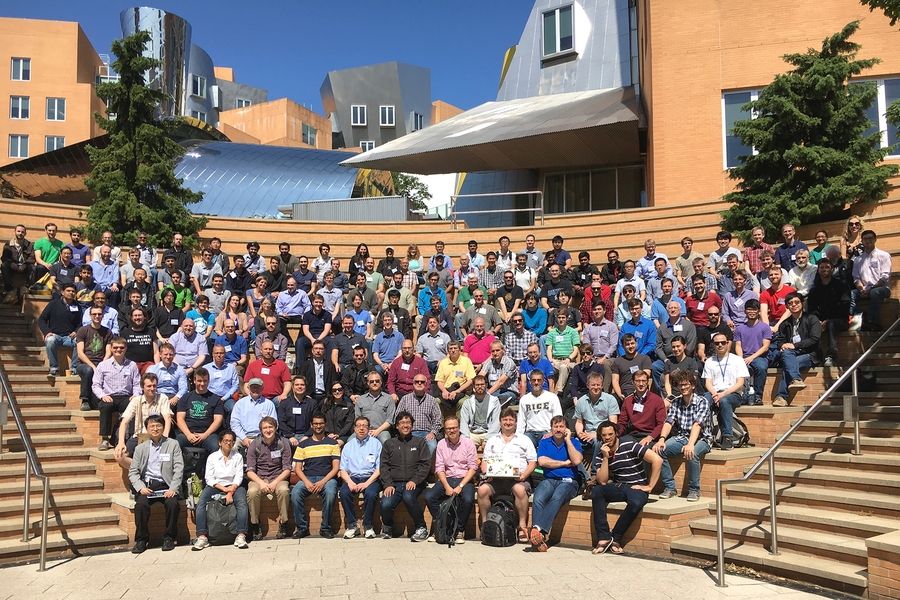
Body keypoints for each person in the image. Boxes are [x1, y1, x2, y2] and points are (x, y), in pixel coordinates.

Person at [590, 420, 662, 555]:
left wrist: (650, 486)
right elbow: (603, 481)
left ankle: (616, 537)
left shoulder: (628, 444)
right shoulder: (601, 451)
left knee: (636, 502)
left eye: (610, 434)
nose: (607, 437)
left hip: (637, 485)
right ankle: (604, 537)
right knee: (597, 491)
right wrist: (605, 458)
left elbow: (657, 460)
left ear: (616, 433)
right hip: (618, 486)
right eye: (604, 435)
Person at [655, 370, 713, 502]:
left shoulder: (702, 401)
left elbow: (697, 425)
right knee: (659, 450)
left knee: (692, 453)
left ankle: (694, 490)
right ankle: (670, 487)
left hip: (702, 438)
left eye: (686, 385)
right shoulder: (676, 402)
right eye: (681, 385)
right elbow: (669, 422)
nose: (683, 388)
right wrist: (662, 439)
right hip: (682, 437)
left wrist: (691, 444)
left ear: (692, 385)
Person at [128, 414, 182, 553]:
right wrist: (141, 488)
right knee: (141, 505)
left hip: (167, 485)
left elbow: (178, 468)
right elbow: (133, 472)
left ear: (163, 427)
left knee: (172, 504)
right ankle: (141, 540)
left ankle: (169, 538)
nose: (155, 428)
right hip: (148, 485)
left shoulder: (172, 444)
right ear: (147, 429)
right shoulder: (141, 448)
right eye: (152, 426)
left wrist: (173, 488)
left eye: (158, 425)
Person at [529, 415, 583, 552]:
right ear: (551, 429)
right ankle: (539, 536)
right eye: (556, 426)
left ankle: (539, 531)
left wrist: (568, 441)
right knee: (538, 498)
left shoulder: (574, 442)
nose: (558, 429)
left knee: (557, 497)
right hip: (549, 479)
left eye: (561, 426)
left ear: (566, 429)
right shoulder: (545, 443)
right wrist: (564, 463)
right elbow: (542, 462)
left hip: (569, 482)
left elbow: (576, 461)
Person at [192, 430, 250, 550]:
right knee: (201, 503)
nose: (228, 443)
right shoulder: (212, 457)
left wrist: (230, 491)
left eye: (231, 441)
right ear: (220, 442)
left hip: (234, 486)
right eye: (225, 441)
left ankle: (241, 534)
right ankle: (202, 536)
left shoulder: (238, 456)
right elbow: (209, 478)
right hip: (216, 486)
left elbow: (239, 476)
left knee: (242, 503)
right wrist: (224, 489)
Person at [378, 411, 431, 541]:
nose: (405, 425)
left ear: (412, 426)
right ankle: (388, 527)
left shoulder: (420, 442)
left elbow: (425, 465)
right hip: (394, 484)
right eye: (402, 423)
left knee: (408, 496)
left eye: (408, 423)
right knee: (385, 503)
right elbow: (384, 466)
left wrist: (415, 480)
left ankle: (421, 528)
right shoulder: (389, 444)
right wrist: (388, 484)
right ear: (397, 426)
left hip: (414, 483)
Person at [424, 416, 477, 543]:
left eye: (454, 428)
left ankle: (459, 530)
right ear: (445, 431)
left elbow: (473, 468)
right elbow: (439, 468)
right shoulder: (441, 444)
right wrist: (447, 486)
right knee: (429, 496)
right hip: (447, 478)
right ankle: (444, 524)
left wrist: (460, 486)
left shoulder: (468, 443)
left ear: (459, 428)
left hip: (464, 479)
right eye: (448, 428)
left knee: (468, 499)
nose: (451, 431)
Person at [770, 292, 822, 407]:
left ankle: (781, 396)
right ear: (787, 306)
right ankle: (795, 380)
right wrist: (783, 346)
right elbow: (780, 341)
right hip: (791, 353)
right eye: (790, 303)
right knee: (788, 357)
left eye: (797, 302)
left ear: (802, 303)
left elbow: (814, 339)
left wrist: (795, 345)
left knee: (789, 364)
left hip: (810, 354)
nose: (794, 305)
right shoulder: (785, 323)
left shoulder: (812, 319)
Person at [114, 373, 172, 470]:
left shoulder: (163, 398)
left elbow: (168, 418)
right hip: (140, 436)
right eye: (149, 386)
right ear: (142, 387)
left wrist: (165, 438)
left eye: (154, 386)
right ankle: (145, 469)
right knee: (119, 456)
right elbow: (124, 422)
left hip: (157, 437)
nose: (152, 388)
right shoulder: (136, 400)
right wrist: (121, 442)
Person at [702, 332, 749, 450]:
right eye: (717, 343)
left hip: (733, 393)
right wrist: (715, 394)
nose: (720, 345)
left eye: (723, 342)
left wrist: (722, 395)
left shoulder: (737, 360)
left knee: (724, 401)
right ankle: (704, 434)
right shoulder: (709, 361)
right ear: (713, 344)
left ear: (728, 343)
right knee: (703, 401)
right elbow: (708, 382)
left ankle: (727, 437)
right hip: (714, 392)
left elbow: (740, 383)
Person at [93, 337, 141, 451]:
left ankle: (131, 438)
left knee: (136, 406)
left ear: (125, 349)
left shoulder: (132, 365)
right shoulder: (103, 365)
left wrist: (136, 395)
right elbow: (96, 385)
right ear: (111, 348)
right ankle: (105, 439)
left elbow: (137, 383)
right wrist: (102, 396)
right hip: (109, 396)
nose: (118, 350)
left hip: (126, 397)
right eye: (115, 347)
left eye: (121, 348)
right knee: (105, 407)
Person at [338, 416, 383, 539]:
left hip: (371, 478)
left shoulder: (376, 444)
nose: (361, 428)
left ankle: (368, 526)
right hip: (353, 478)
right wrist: (350, 483)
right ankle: (352, 526)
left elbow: (379, 469)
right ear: (354, 429)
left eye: (365, 426)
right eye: (359, 426)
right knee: (344, 492)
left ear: (369, 429)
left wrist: (367, 483)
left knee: (371, 494)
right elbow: (342, 470)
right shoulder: (348, 446)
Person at [807, 258, 850, 367]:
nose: (824, 269)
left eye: (827, 267)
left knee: (831, 324)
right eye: (822, 267)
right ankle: (815, 356)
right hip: (821, 321)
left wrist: (828, 320)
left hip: (840, 320)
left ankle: (831, 356)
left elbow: (844, 306)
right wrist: (818, 321)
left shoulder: (841, 286)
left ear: (832, 269)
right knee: (810, 323)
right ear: (818, 270)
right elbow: (812, 309)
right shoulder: (814, 289)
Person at [175, 368, 224, 454]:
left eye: (205, 381)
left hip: (208, 434)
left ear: (208, 381)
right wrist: (188, 434)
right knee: (176, 443)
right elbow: (180, 419)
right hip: (187, 433)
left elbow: (218, 420)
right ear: (194, 380)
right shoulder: (185, 397)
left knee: (215, 446)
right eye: (199, 381)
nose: (202, 383)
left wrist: (205, 435)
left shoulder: (216, 399)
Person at [573, 372, 620, 464]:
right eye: (593, 385)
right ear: (587, 385)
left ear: (602, 386)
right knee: (572, 444)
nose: (596, 387)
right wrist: (579, 433)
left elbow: (613, 424)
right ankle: (582, 474)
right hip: (586, 435)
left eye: (598, 385)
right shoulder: (581, 401)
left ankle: (595, 471)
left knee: (597, 442)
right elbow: (579, 422)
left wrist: (595, 435)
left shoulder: (610, 400)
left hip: (603, 434)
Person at [850, 229, 892, 331]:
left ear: (875, 239)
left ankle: (873, 322)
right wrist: (861, 289)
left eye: (870, 238)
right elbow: (856, 278)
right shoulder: (858, 260)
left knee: (874, 292)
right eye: (865, 239)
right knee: (851, 293)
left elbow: (885, 276)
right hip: (864, 289)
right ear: (862, 241)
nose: (868, 240)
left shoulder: (884, 255)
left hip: (882, 288)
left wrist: (871, 288)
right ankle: (854, 321)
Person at [39, 282, 82, 377]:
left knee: (79, 342)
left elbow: (80, 323)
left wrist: (76, 331)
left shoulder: (77, 306)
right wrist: (47, 332)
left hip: (69, 337)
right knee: (50, 340)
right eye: (68, 291)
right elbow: (41, 319)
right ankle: (54, 369)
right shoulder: (53, 304)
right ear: (62, 292)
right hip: (55, 336)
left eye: (73, 291)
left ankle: (74, 369)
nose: (71, 293)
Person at [734, 300, 771, 405]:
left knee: (761, 367)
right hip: (744, 356)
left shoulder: (764, 327)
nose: (751, 312)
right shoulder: (740, 328)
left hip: (759, 356)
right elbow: (738, 345)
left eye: (754, 309)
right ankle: (743, 396)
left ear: (758, 311)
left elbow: (766, 346)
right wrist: (741, 359)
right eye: (749, 309)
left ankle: (758, 396)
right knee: (740, 368)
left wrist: (752, 358)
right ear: (745, 311)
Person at [617, 370, 666, 446]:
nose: (641, 384)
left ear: (648, 382)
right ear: (633, 383)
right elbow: (622, 423)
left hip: (650, 436)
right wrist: (616, 435)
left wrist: (650, 437)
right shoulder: (628, 401)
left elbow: (661, 424)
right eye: (637, 381)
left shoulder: (657, 400)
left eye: (643, 381)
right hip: (633, 435)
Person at [396, 375, 442, 455]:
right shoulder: (405, 399)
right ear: (413, 384)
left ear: (426, 384)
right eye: (417, 381)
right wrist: (404, 431)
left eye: (422, 382)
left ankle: (425, 466)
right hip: (409, 432)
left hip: (427, 433)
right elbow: (398, 417)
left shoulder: (432, 400)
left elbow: (438, 419)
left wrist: (433, 433)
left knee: (432, 445)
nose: (419, 383)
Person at [516, 371, 562, 447]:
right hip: (530, 433)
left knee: (546, 448)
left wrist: (552, 433)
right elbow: (521, 421)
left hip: (546, 432)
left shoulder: (552, 397)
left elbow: (558, 418)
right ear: (530, 382)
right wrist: (518, 438)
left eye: (539, 380)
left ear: (543, 381)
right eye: (534, 380)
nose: (536, 382)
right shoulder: (524, 399)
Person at [229, 379, 278, 446]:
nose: (255, 389)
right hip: (242, 437)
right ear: (248, 388)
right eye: (253, 387)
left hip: (264, 437)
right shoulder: (240, 403)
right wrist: (244, 438)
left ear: (262, 388)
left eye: (258, 387)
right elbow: (234, 423)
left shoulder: (269, 404)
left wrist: (263, 438)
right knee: (233, 448)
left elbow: (274, 423)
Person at [459, 375, 501, 449]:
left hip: (488, 432)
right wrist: (467, 439)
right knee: (463, 445)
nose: (480, 387)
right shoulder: (467, 402)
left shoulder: (494, 401)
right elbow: (464, 423)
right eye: (477, 385)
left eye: (482, 384)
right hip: (472, 433)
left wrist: (488, 439)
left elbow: (496, 422)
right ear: (474, 386)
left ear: (486, 385)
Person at [435, 341, 476, 414]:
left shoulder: (466, 361)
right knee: (436, 401)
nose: (453, 350)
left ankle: (460, 424)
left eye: (455, 348)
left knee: (462, 402)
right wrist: (444, 391)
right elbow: (439, 381)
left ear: (460, 350)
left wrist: (458, 391)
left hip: (461, 391)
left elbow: (470, 380)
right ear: (448, 351)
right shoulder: (443, 363)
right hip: (446, 391)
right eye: (450, 349)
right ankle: (440, 424)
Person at [355, 372, 396, 443]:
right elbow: (357, 419)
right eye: (371, 381)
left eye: (377, 381)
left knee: (385, 440)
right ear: (368, 383)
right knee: (350, 440)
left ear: (381, 382)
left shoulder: (389, 399)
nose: (374, 383)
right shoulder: (360, 399)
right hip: (363, 430)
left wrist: (377, 431)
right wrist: (364, 430)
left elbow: (390, 420)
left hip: (382, 431)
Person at [609, 334, 652, 401]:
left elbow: (646, 376)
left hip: (640, 390)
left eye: (632, 343)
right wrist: (620, 395)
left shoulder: (644, 359)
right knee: (611, 399)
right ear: (623, 346)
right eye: (627, 344)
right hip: (624, 392)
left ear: (636, 344)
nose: (630, 346)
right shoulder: (617, 361)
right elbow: (615, 380)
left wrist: (638, 392)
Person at [278, 376, 318, 445]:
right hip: (288, 436)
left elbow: (315, 421)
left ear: (305, 387)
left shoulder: (312, 403)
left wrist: (307, 436)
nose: (300, 387)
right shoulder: (284, 403)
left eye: (302, 385)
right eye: (297, 385)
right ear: (293, 387)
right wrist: (290, 436)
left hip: (307, 435)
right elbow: (281, 422)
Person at [322, 382, 354, 447]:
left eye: (339, 389)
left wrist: (338, 434)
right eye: (334, 390)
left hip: (343, 435)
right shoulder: (326, 405)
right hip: (328, 434)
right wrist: (328, 433)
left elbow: (349, 424)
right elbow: (322, 420)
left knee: (335, 445)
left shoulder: (349, 406)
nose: (337, 392)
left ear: (343, 390)